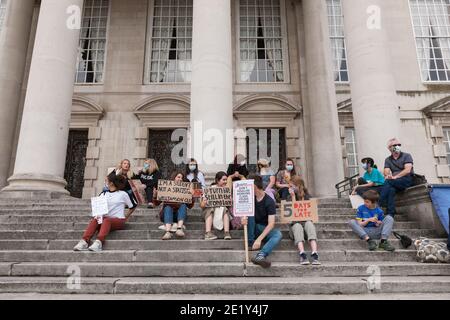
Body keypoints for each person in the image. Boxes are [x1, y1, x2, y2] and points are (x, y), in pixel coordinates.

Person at [74, 175, 135, 252]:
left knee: (107, 220)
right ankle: (84, 242)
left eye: (106, 181)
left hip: (118, 220)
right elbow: (98, 207)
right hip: (105, 220)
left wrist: (126, 217)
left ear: (111, 183)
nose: (105, 183)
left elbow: (133, 206)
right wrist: (97, 215)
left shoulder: (123, 194)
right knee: (95, 220)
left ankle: (99, 242)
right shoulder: (103, 194)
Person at [242, 174, 283, 268]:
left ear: (254, 186)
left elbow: (271, 224)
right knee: (250, 213)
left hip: (263, 229)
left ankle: (261, 255)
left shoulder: (269, 201)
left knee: (278, 234)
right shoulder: (249, 199)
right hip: (251, 228)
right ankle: (250, 242)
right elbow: (242, 212)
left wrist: (259, 239)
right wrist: (243, 220)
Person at [287, 176, 320, 265]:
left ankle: (314, 253)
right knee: (297, 225)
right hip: (295, 228)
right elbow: (291, 215)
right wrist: (293, 197)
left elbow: (312, 211)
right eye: (289, 186)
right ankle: (302, 254)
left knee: (309, 223)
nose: (290, 188)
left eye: (291, 186)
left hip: (306, 228)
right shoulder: (289, 197)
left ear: (298, 186)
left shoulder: (307, 196)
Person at [153, 171, 195, 240]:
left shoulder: (185, 190)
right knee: (168, 207)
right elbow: (156, 203)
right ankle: (167, 232)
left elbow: (190, 206)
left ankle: (179, 229)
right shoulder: (167, 188)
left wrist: (191, 196)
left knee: (183, 205)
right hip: (166, 214)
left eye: (182, 178)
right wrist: (155, 196)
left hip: (178, 216)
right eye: (178, 177)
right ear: (174, 178)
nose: (180, 179)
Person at [379, 138, 414, 217]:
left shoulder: (406, 156)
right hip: (395, 182)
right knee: (391, 189)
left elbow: (407, 170)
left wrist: (395, 177)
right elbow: (386, 171)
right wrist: (388, 175)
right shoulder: (388, 159)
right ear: (389, 148)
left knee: (388, 182)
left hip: (406, 179)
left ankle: (379, 203)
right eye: (395, 145)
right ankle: (391, 213)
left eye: (399, 145)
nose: (397, 146)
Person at [200, 172, 232, 240]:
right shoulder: (210, 190)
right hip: (209, 212)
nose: (225, 182)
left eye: (226, 180)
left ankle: (226, 232)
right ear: (218, 180)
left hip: (222, 212)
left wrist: (230, 200)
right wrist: (205, 202)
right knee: (210, 209)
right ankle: (208, 233)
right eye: (223, 180)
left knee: (225, 209)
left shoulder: (227, 190)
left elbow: (229, 206)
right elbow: (202, 206)